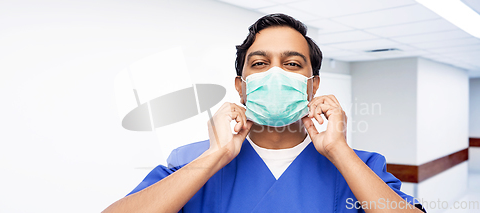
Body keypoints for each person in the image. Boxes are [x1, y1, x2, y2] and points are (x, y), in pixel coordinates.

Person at [103, 13, 426, 213]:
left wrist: (339, 150)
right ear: (240, 86)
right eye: (259, 63)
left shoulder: (360, 165)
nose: (275, 74)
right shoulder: (192, 160)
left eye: (292, 64)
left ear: (313, 86)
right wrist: (215, 155)